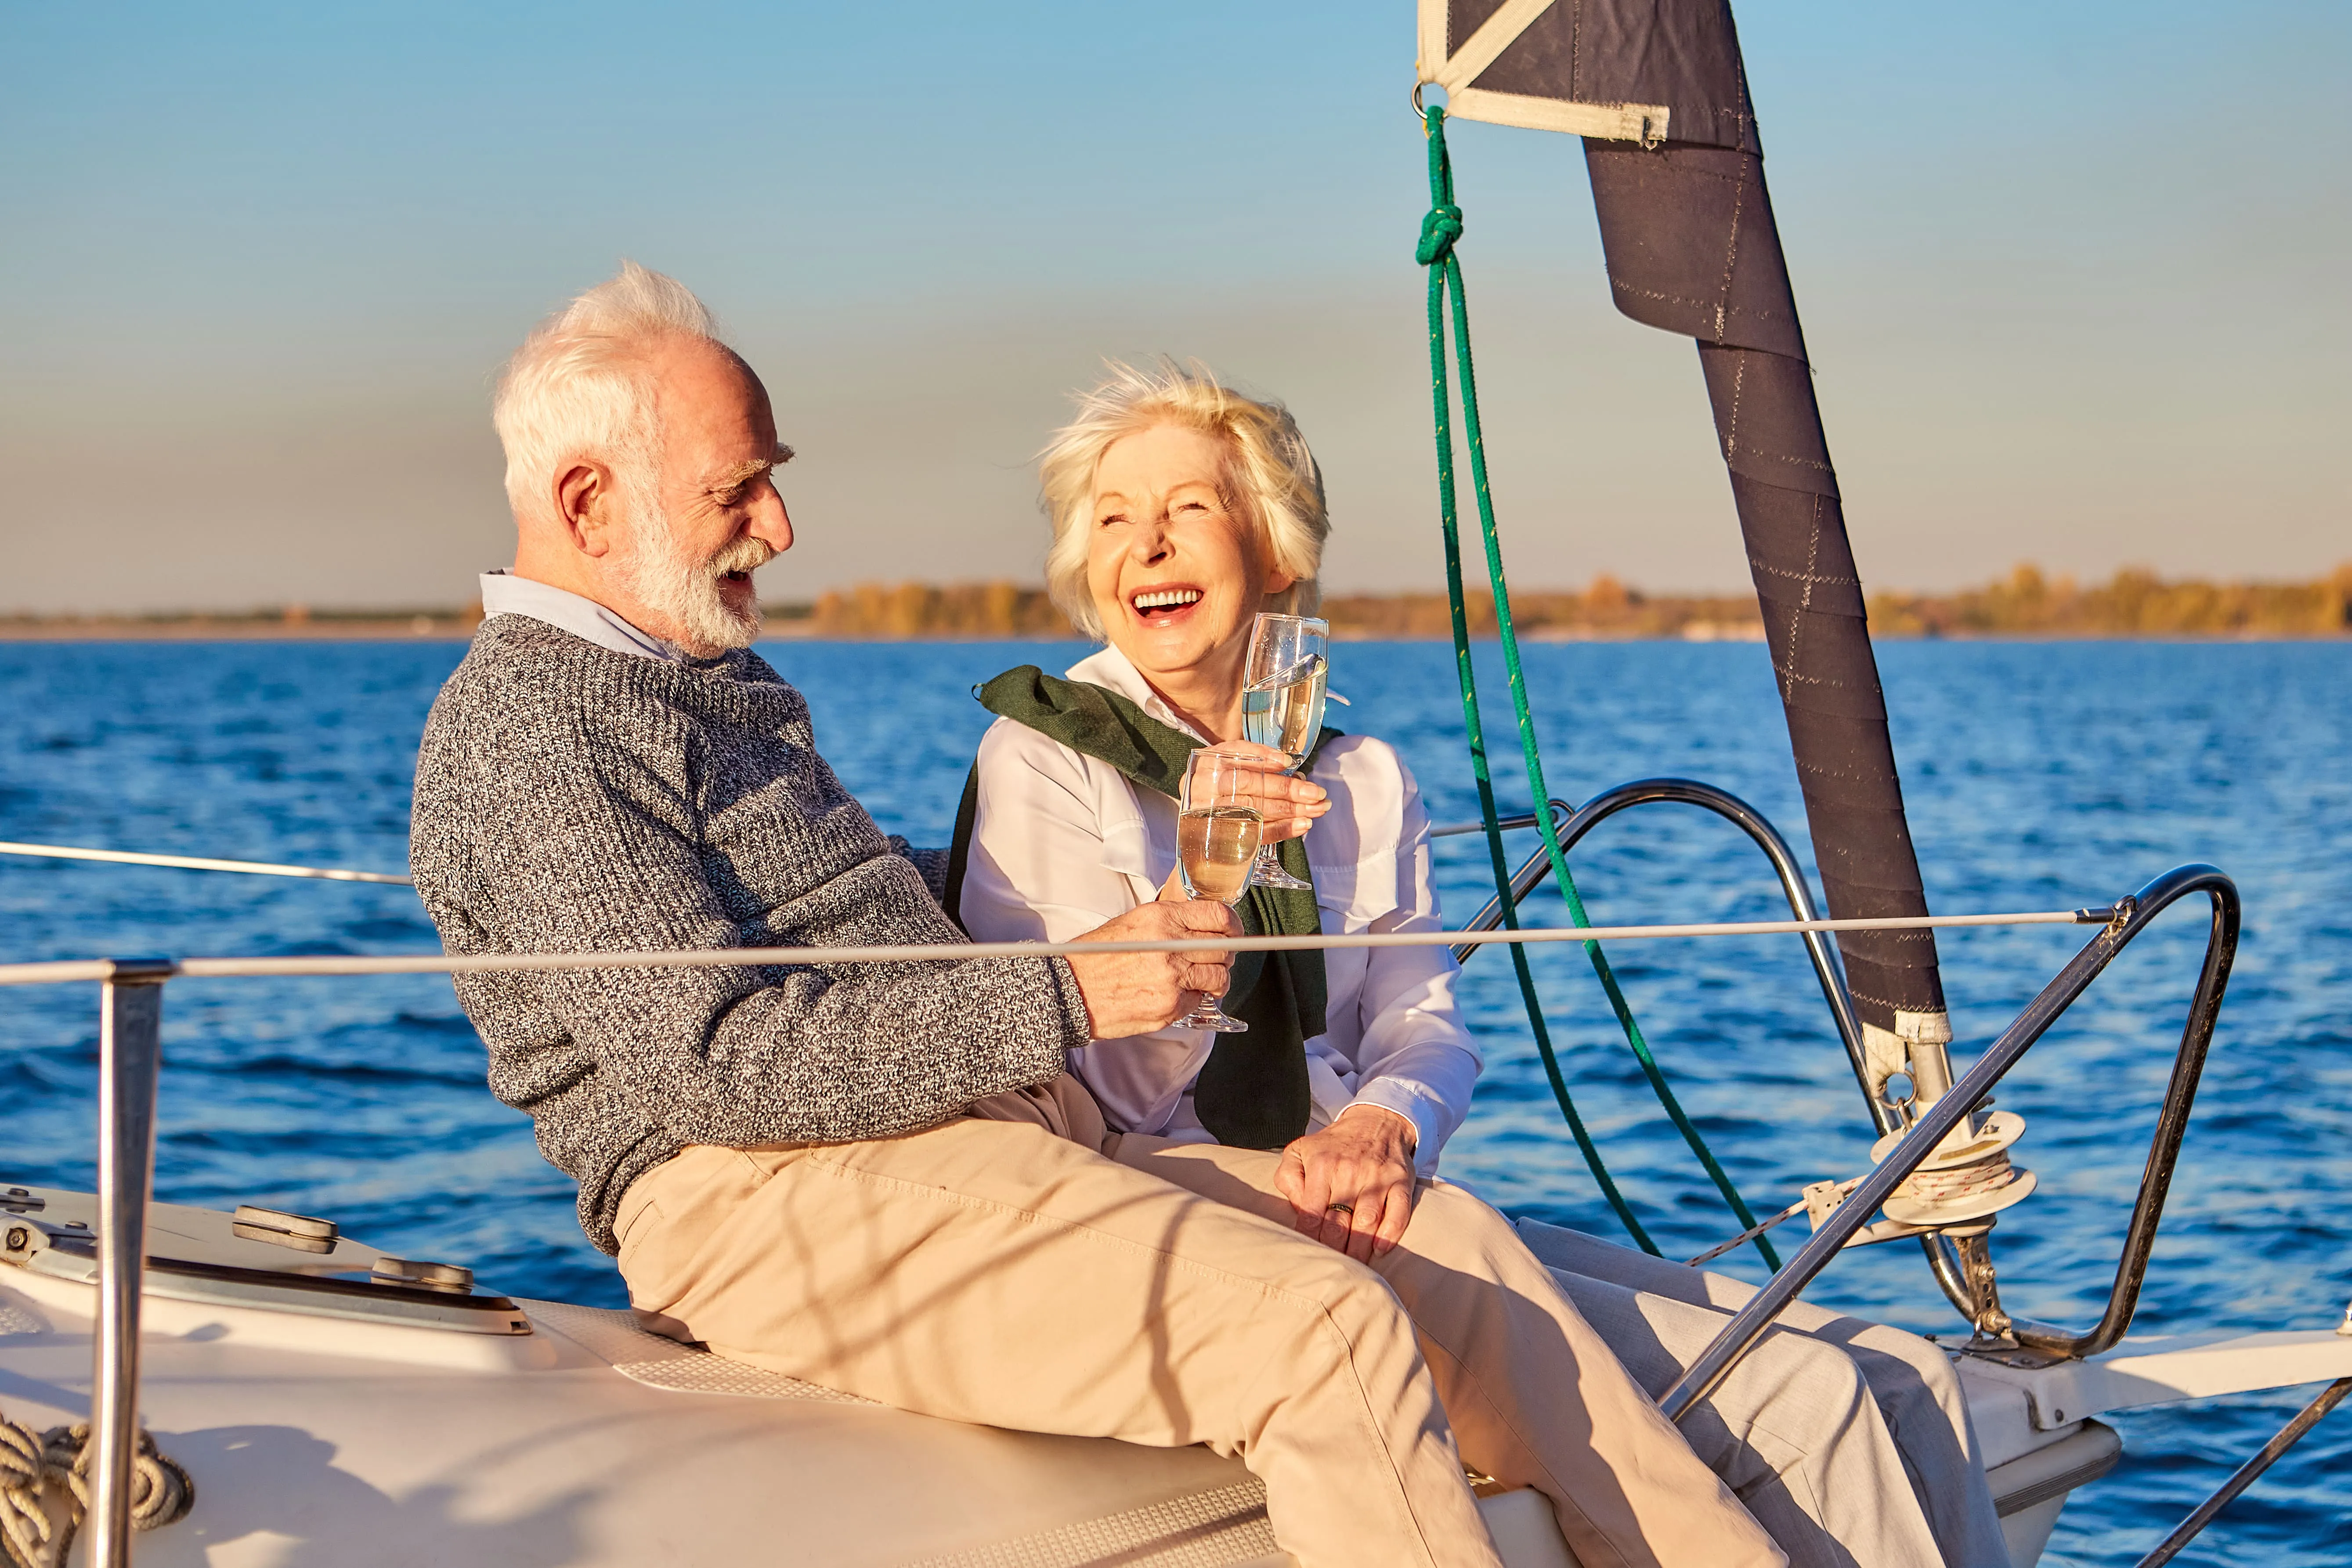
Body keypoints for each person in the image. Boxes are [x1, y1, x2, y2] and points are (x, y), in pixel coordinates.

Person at [409, 264, 1785, 1568]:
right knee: (1322, 1324)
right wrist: (1072, 992)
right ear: (589, 501)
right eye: (744, 488)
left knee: (1456, 1249)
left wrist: (1175, 917)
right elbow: (711, 1065)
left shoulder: (678, 684)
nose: (780, 528)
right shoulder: (535, 724)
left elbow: (854, 939)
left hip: (973, 1144)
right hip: (770, 1191)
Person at [955, 360, 2012, 1568]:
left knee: (1906, 1374)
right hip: (1173, 1189)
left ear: (1277, 549)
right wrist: (1208, 883)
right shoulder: (1045, 760)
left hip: (1376, 1189)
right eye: (1112, 520)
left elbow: (1425, 1026)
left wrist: (1389, 1129)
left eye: (1187, 509)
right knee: (1806, 1404)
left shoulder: (1360, 779)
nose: (1146, 545)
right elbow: (1111, 1093)